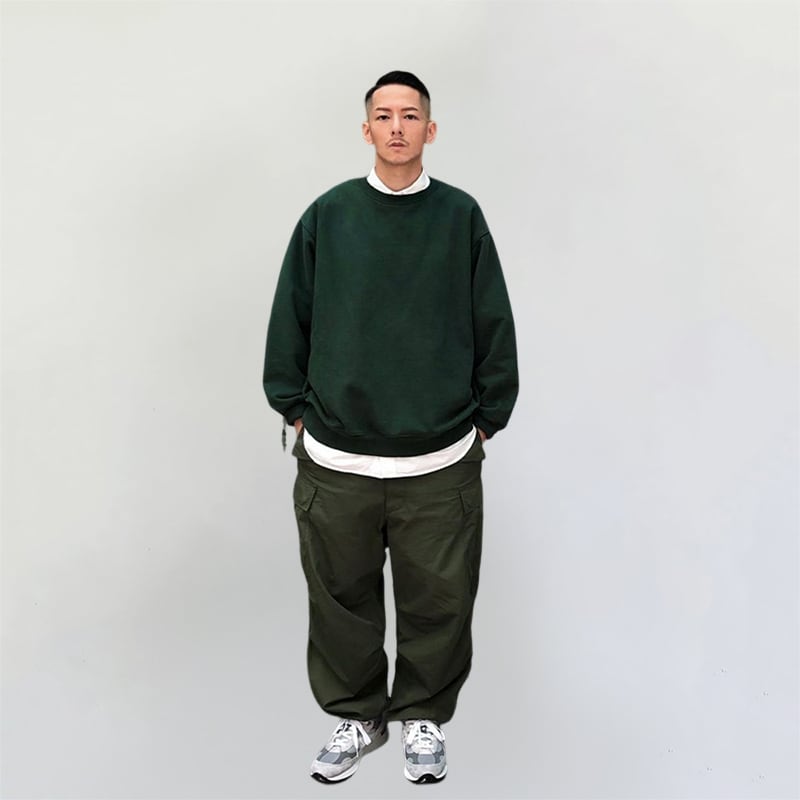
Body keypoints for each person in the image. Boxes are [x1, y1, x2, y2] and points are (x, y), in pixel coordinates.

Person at [263, 70, 518, 785]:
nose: (397, 127)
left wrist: (486, 419)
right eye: (384, 115)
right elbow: (291, 316)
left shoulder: (460, 217)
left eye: (410, 115)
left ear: (430, 130)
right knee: (339, 600)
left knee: (440, 599)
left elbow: (492, 320)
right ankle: (358, 716)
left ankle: (423, 717)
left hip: (438, 459)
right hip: (337, 456)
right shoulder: (329, 216)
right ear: (366, 129)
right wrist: (293, 406)